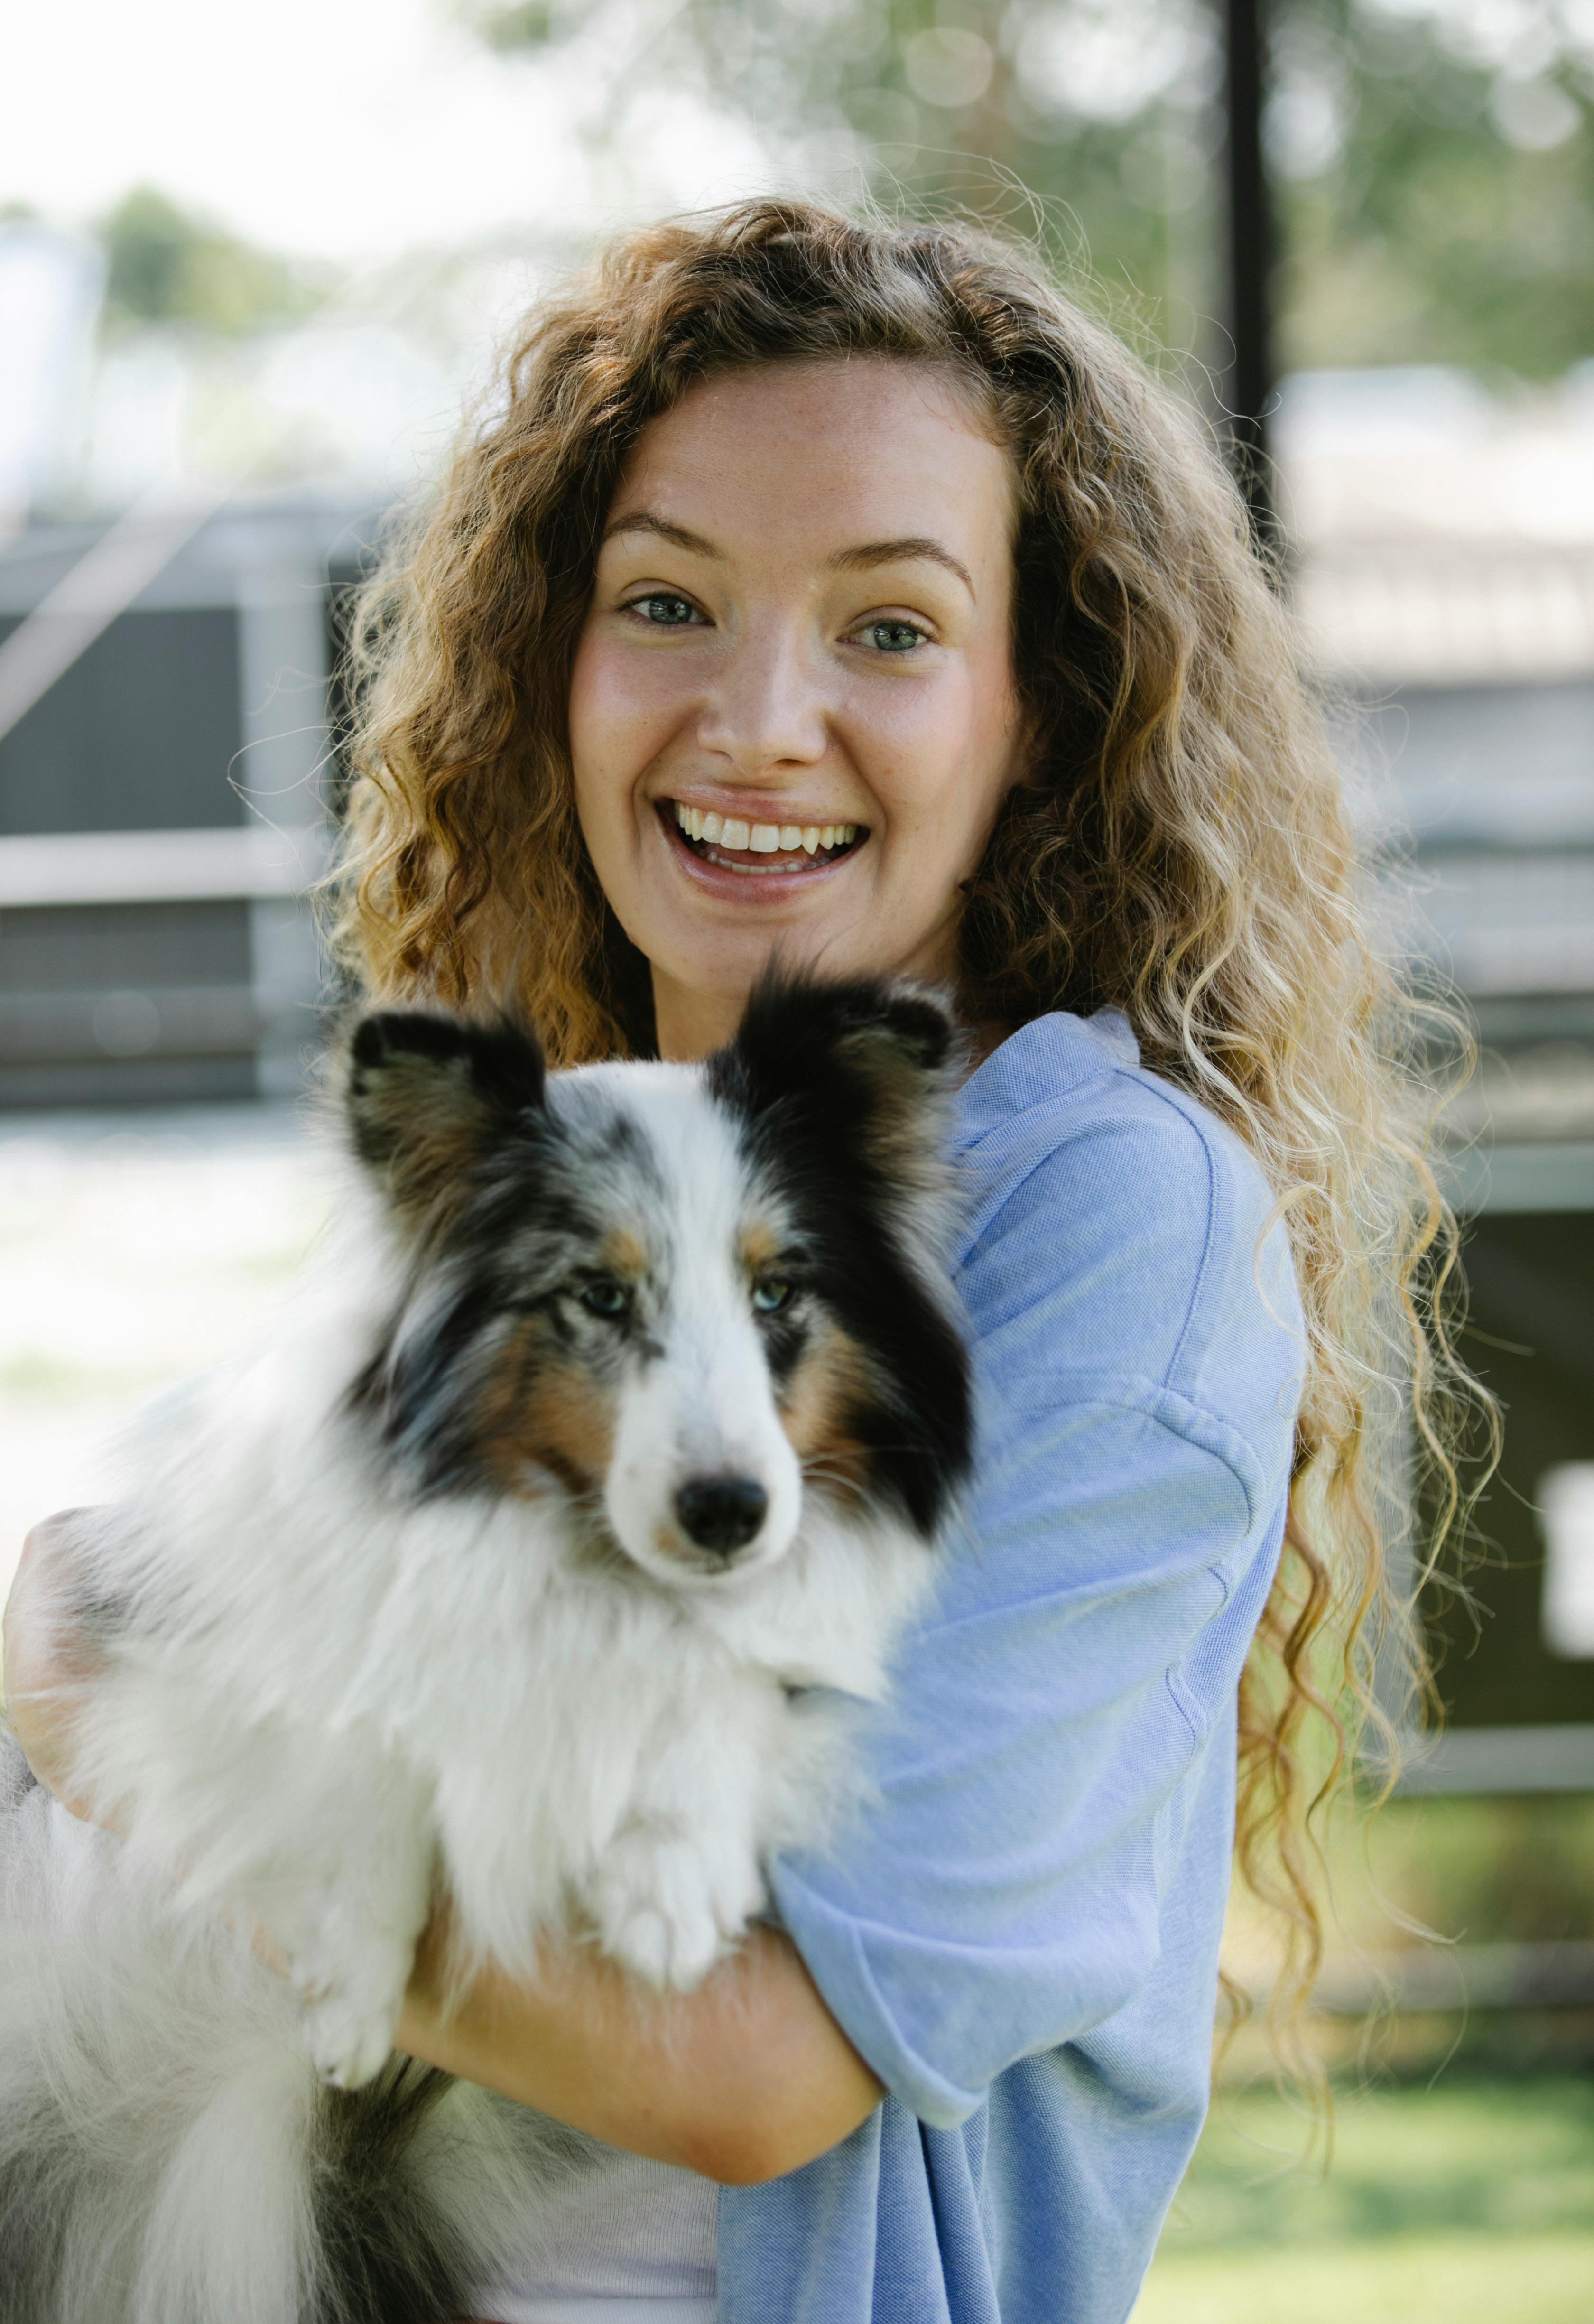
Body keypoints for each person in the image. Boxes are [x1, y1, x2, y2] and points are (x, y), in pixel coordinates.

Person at [4, 201, 1475, 2324]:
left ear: (1035, 705)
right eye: (669, 601)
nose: (760, 718)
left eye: (888, 628)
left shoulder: (1104, 1208)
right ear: (559, 661)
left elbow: (759, 2067)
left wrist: (97, 1692)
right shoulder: (575, 1147)